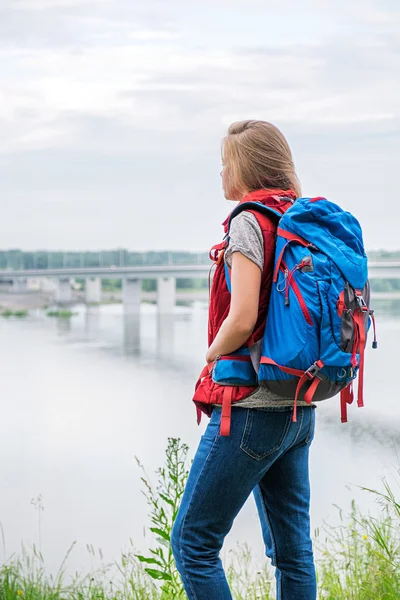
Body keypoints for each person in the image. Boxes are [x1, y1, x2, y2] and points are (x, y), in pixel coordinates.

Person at [171, 120, 317, 600]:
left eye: (225, 162)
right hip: (298, 408)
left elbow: (242, 318)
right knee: (294, 554)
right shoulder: (302, 219)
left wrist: (211, 355)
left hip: (251, 409)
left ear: (245, 166)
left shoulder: (248, 221)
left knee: (193, 542)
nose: (220, 172)